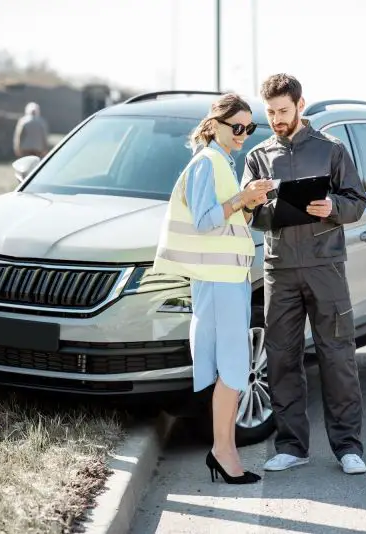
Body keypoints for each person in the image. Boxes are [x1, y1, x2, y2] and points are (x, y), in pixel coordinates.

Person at [241, 74, 366, 475]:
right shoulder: (258, 156)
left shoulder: (331, 150)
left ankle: (348, 447)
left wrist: (331, 206)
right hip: (279, 269)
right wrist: (257, 203)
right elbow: (250, 215)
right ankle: (292, 446)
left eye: (283, 110)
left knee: (337, 357)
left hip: (325, 268)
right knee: (281, 358)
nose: (277, 119)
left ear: (300, 105)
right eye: (271, 112)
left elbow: (356, 202)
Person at [153, 93, 274, 485]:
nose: (243, 134)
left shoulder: (222, 161)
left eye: (249, 127)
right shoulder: (207, 162)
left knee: (230, 367)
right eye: (236, 126)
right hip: (220, 282)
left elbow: (224, 218)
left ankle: (224, 449)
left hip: (230, 280)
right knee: (234, 369)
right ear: (215, 124)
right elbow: (205, 220)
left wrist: (249, 202)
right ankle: (223, 451)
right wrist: (242, 197)